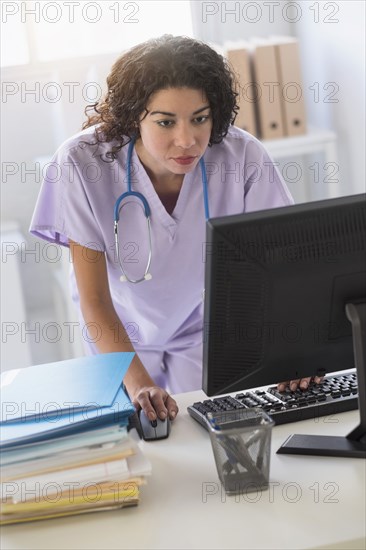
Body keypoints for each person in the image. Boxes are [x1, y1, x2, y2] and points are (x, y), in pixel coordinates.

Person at [30, 35, 320, 424]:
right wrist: (138, 383)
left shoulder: (241, 155)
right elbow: (94, 299)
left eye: (200, 118)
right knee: (144, 457)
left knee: (215, 449)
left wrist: (296, 347)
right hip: (120, 344)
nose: (187, 140)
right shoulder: (83, 164)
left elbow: (285, 265)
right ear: (135, 115)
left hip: (210, 340)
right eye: (166, 122)